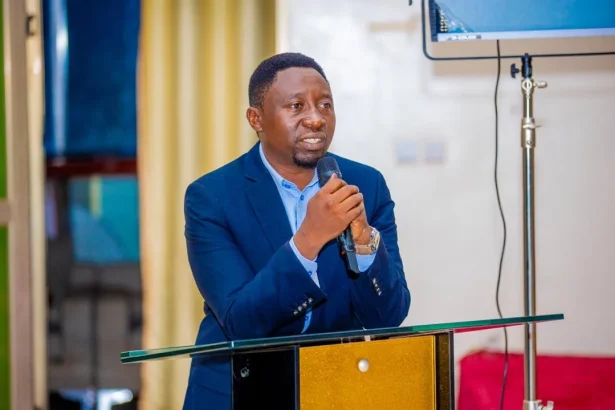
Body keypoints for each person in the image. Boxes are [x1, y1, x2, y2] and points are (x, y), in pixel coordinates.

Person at [182, 52, 411, 409]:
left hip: (333, 389)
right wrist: (309, 239)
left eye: (325, 105)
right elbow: (241, 322)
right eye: (296, 106)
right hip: (239, 390)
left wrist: (365, 243)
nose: (316, 119)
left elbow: (389, 315)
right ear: (256, 119)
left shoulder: (366, 184)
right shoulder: (212, 197)